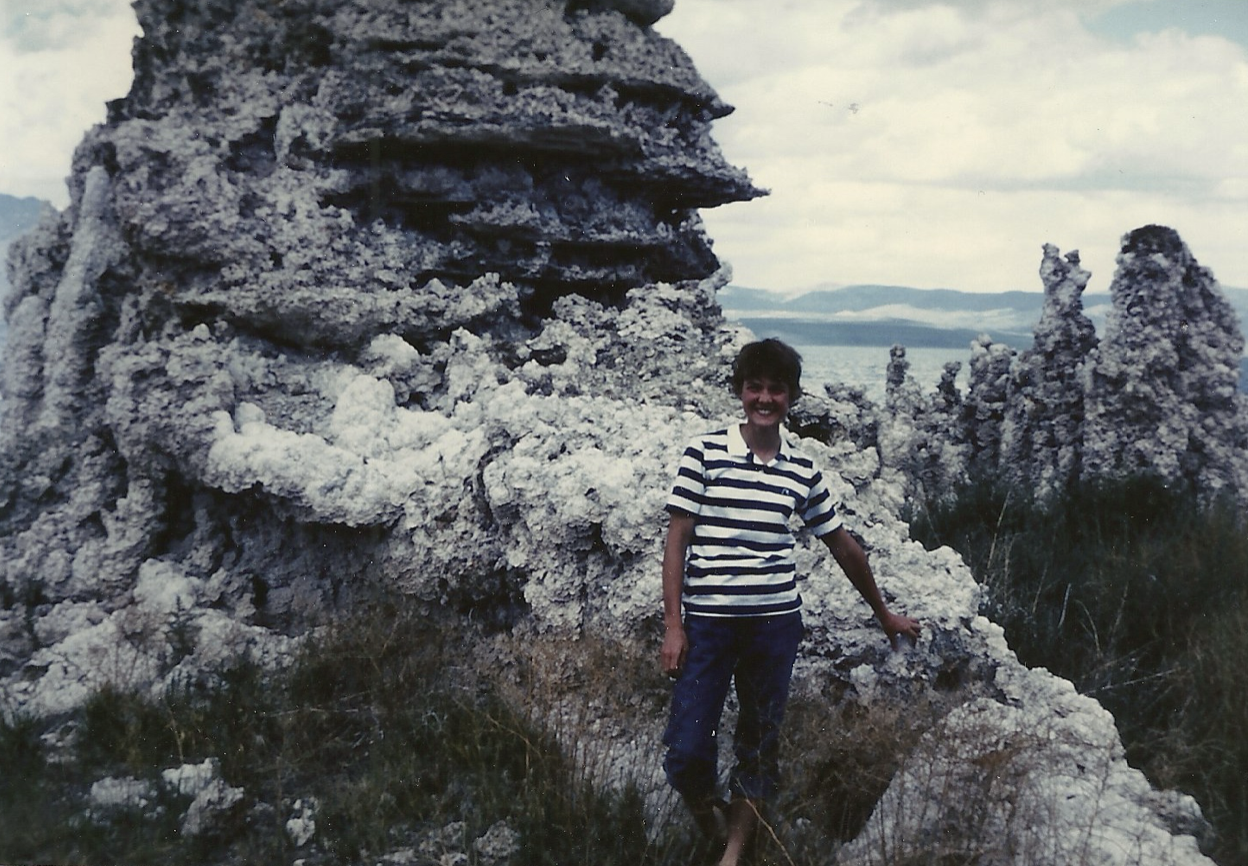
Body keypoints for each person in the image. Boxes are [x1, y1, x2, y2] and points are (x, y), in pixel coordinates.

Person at [660, 338, 921, 866]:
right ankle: (710, 819)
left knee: (759, 743)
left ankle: (733, 856)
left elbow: (843, 546)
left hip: (774, 626)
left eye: (776, 389)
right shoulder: (704, 453)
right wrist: (673, 624)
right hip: (708, 624)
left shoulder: (801, 471)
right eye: (754, 387)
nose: (764, 398)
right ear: (740, 392)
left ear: (791, 397)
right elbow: (677, 538)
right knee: (686, 749)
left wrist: (884, 614)